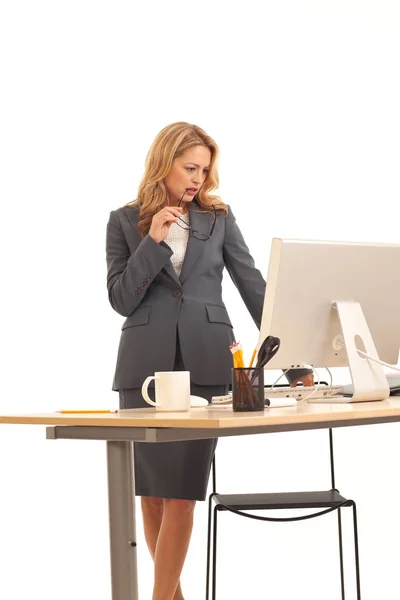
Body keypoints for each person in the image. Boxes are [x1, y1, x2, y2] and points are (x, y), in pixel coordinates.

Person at [106, 121, 313, 600]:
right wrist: (152, 241)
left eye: (204, 169)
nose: (198, 178)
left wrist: (294, 355)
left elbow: (254, 287)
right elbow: (121, 299)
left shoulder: (218, 217)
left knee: (182, 494)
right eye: (190, 167)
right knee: (152, 495)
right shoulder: (124, 220)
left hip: (207, 367)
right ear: (165, 162)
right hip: (143, 371)